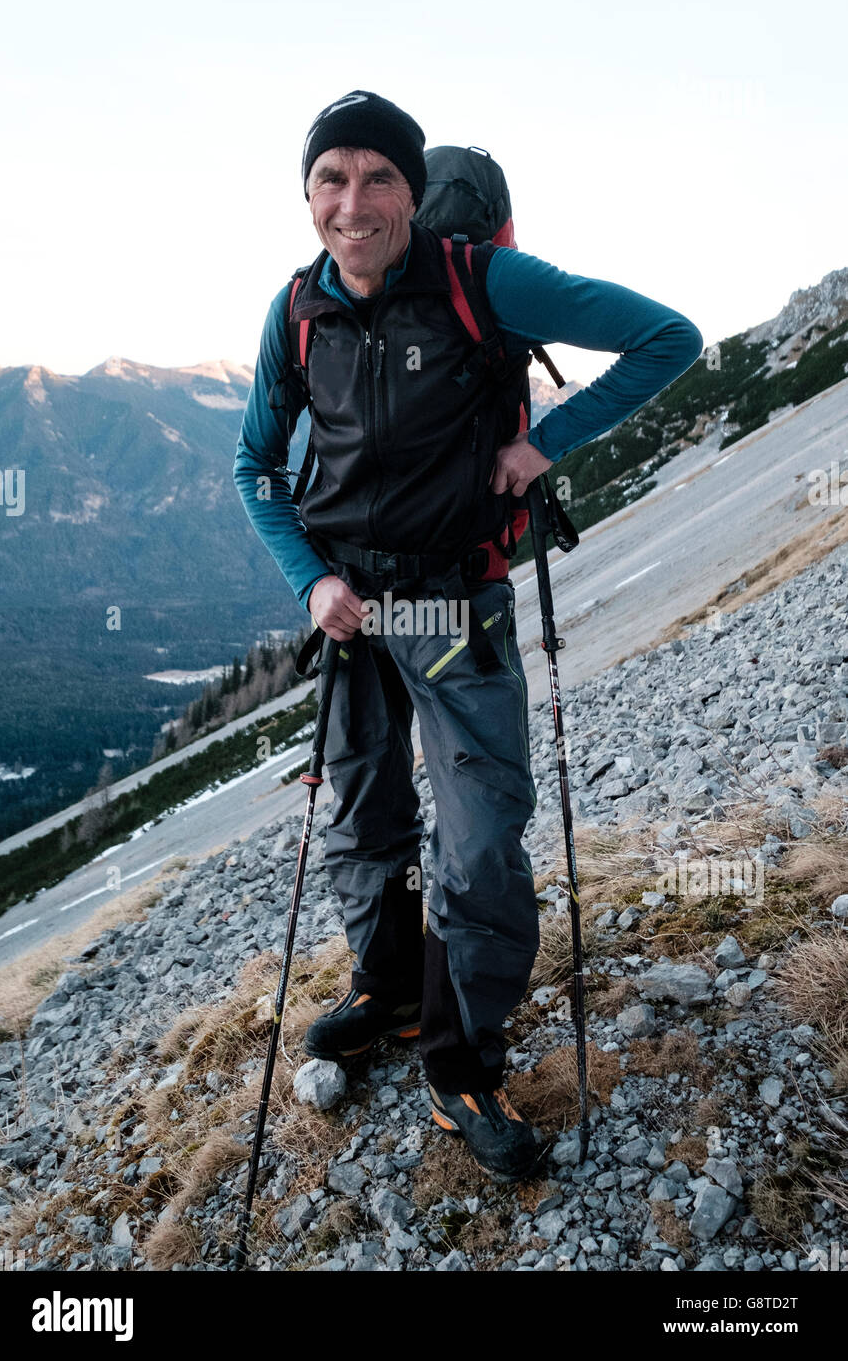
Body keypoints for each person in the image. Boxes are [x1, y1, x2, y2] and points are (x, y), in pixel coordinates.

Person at [233, 89, 703, 1181]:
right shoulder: (295, 308)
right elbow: (254, 468)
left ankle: (460, 1060)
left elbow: (665, 338)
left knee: (480, 841)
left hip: (456, 604)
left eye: (377, 179)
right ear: (307, 195)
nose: (352, 204)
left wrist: (549, 441)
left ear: (410, 193)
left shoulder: (480, 279)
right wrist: (309, 583)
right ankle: (392, 990)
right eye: (330, 180)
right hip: (352, 612)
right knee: (361, 817)